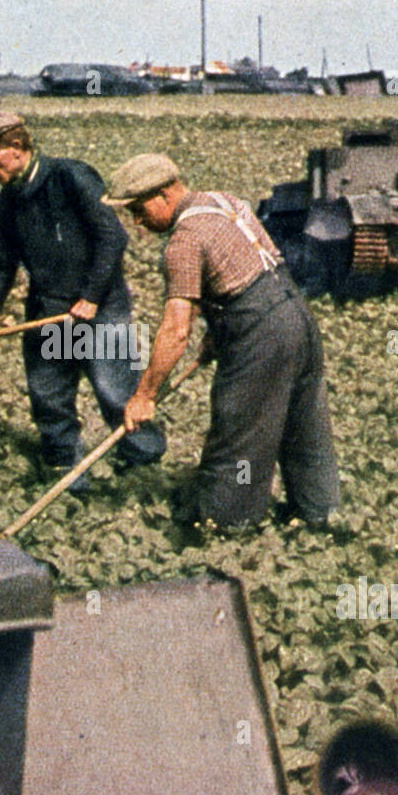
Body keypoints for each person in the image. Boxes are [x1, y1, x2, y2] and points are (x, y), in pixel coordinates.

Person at [103, 153, 340, 527]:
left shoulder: (184, 241)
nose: (138, 222)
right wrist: (219, 331)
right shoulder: (225, 201)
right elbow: (242, 270)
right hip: (298, 317)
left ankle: (227, 522)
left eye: (138, 209)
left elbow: (177, 330)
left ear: (163, 195)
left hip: (262, 337)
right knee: (304, 426)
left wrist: (145, 394)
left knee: (240, 436)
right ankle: (320, 512)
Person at [0, 113, 166, 481]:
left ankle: (142, 468)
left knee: (116, 392)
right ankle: (67, 473)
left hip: (99, 310)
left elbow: (112, 237)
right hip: (51, 313)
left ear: (18, 148)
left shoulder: (71, 178)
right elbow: (0, 263)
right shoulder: (9, 202)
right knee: (49, 397)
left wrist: (90, 297)